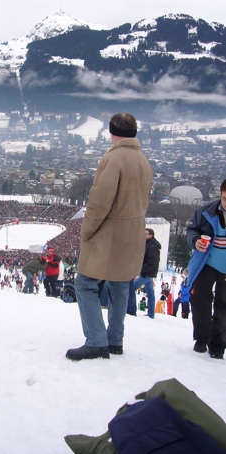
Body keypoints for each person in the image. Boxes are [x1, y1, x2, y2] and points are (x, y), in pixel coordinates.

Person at [66, 112, 153, 360]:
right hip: (133, 231)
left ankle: (96, 340)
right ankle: (115, 340)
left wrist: (88, 230)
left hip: (110, 233)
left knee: (85, 283)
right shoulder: (144, 161)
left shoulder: (114, 159)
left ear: (111, 132)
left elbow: (99, 202)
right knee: (120, 283)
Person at [185, 179, 226, 359]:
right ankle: (201, 338)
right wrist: (195, 241)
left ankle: (218, 344)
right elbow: (191, 229)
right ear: (220, 195)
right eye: (225, 199)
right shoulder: (206, 212)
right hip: (206, 264)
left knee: (223, 305)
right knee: (200, 300)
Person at [127, 228, 161, 318]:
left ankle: (131, 310)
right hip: (148, 273)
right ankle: (151, 313)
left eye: (146, 234)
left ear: (151, 235)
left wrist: (141, 270)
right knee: (150, 293)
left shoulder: (152, 246)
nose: (144, 235)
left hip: (146, 273)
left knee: (131, 288)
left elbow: (152, 262)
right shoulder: (148, 244)